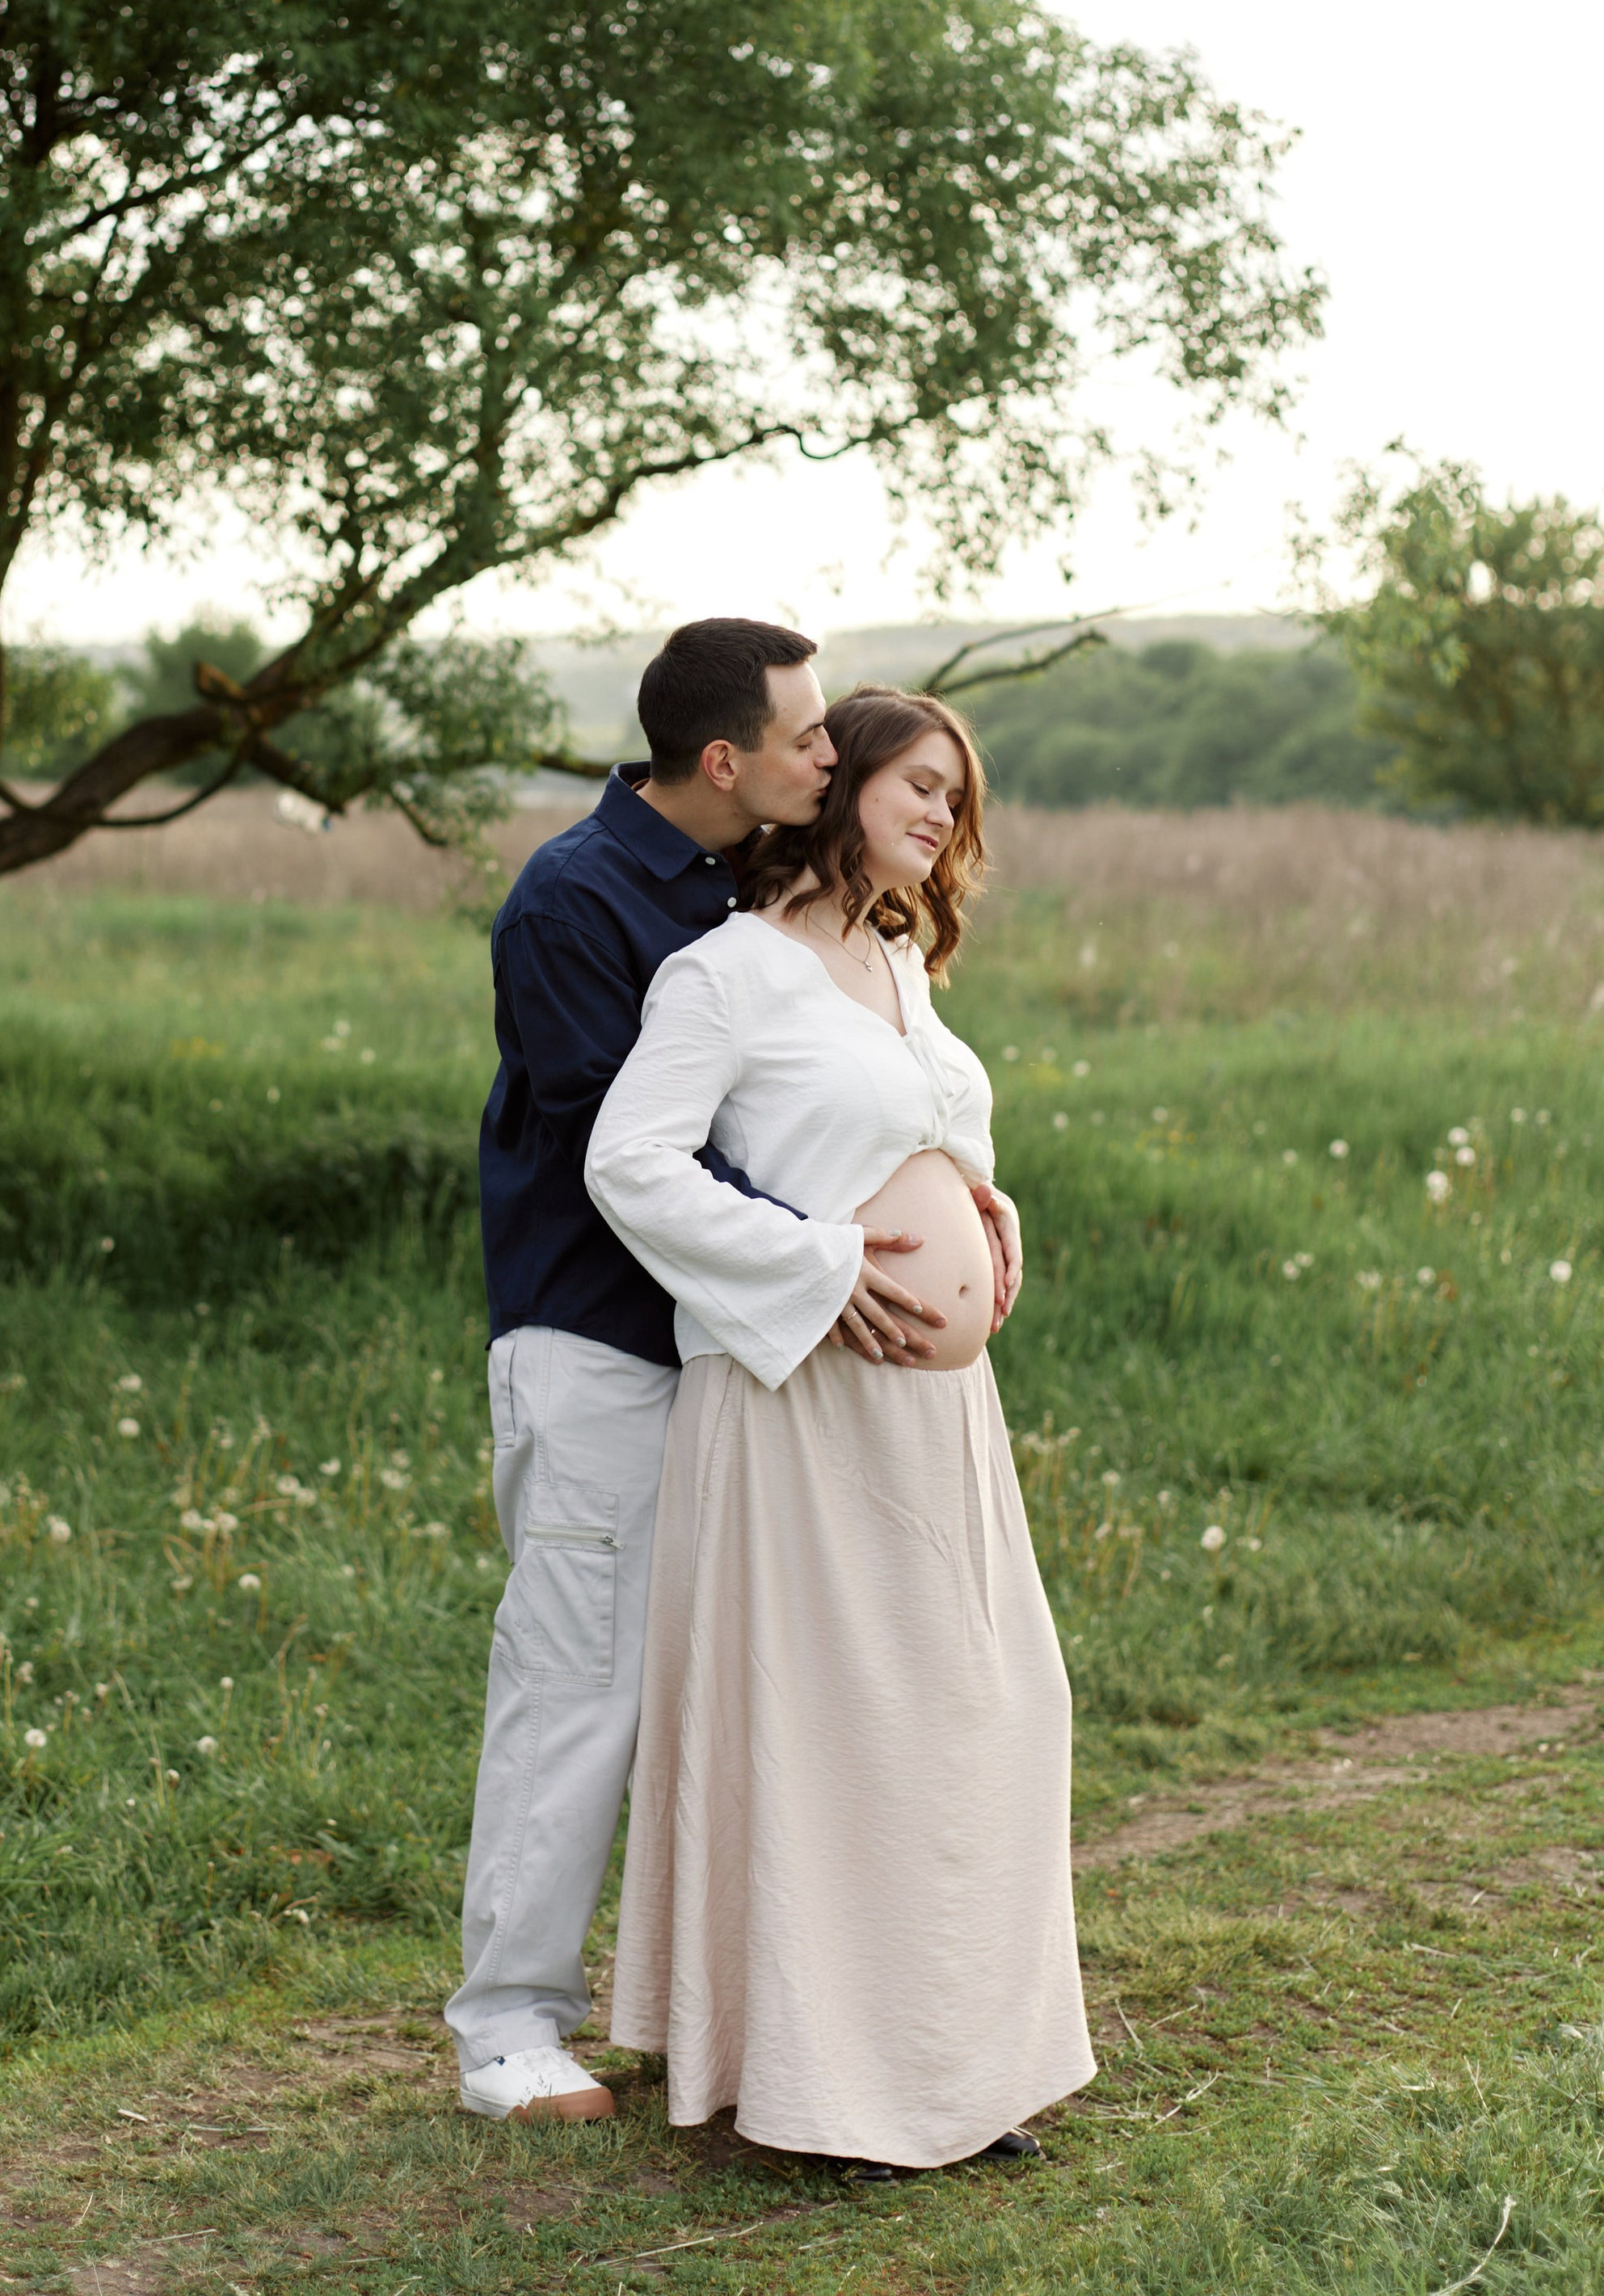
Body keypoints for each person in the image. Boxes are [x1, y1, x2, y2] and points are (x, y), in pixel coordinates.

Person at [446, 623, 1025, 2126]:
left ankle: (775, 2012)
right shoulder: (574, 903)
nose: (828, 756)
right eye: (808, 737)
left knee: (765, 1696)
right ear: (728, 760)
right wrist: (838, 1256)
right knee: (586, 1674)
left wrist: (950, 1197)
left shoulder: (753, 880)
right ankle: (508, 2026)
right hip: (601, 1339)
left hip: (759, 1366)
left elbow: (840, 1090)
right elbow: (623, 1150)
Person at [584, 684, 1092, 2173]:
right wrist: (813, 1266)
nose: (944, 815)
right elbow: (632, 1164)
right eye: (921, 783)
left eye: (960, 797)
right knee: (840, 1739)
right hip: (803, 1401)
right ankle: (835, 2091)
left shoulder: (893, 963)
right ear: (843, 779)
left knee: (984, 1714)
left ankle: (955, 2067)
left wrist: (980, 1202)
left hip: (937, 1421)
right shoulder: (726, 975)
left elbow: (912, 1134)